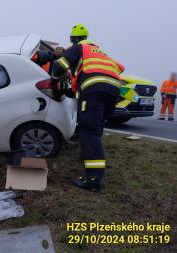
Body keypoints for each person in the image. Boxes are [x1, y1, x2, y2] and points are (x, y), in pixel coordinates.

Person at [51, 24, 124, 192]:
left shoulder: (78, 48)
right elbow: (117, 68)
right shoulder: (99, 52)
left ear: (73, 39)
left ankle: (93, 179)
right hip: (113, 89)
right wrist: (73, 90)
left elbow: (58, 67)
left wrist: (55, 78)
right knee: (96, 127)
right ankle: (90, 158)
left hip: (95, 89)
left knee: (88, 131)